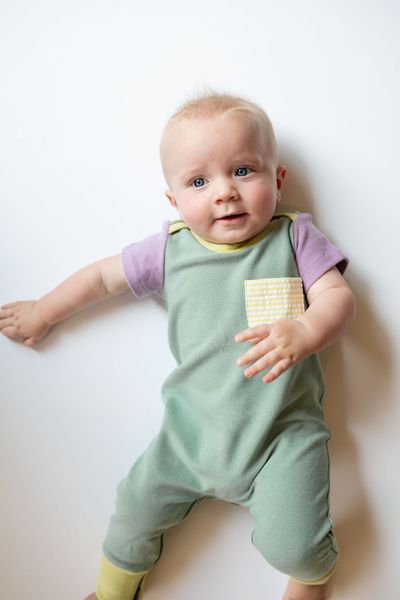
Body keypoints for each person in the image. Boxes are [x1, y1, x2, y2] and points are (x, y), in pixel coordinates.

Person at [0, 92, 355, 600]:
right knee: (133, 509)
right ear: (173, 200)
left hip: (282, 438)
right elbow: (102, 280)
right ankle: (110, 591)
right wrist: (44, 311)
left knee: (296, 542)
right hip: (189, 437)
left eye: (243, 171)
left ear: (277, 180)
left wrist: (306, 330)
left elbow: (337, 298)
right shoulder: (173, 248)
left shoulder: (293, 237)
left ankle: (312, 577)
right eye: (198, 181)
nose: (225, 193)